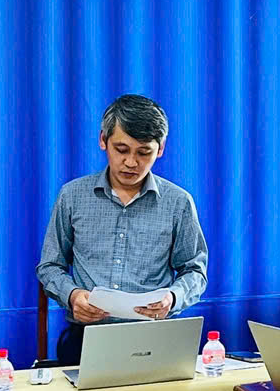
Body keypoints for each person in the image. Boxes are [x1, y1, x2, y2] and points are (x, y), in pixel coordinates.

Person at [37, 94, 208, 365]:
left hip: (156, 339)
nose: (131, 162)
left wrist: (173, 298)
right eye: (121, 149)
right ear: (103, 140)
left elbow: (195, 270)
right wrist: (72, 296)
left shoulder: (178, 202)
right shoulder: (73, 196)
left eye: (143, 152)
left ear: (161, 149)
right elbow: (49, 266)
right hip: (87, 337)